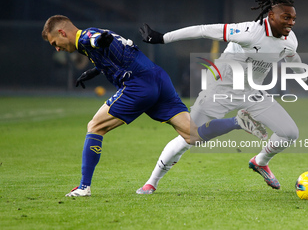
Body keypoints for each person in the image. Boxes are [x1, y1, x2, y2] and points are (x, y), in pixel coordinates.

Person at [42, 15, 262, 196]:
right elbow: (110, 51)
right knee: (192, 135)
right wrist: (92, 72)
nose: (57, 49)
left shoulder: (86, 37)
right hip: (158, 79)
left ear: (62, 32)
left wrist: (99, 41)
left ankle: (83, 187)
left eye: (55, 43)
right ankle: (237, 121)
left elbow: (100, 39)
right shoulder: (89, 40)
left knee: (95, 127)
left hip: (139, 84)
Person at [136, 0, 308, 193]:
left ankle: (259, 162)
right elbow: (203, 30)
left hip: (252, 93)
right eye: (286, 17)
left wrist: (303, 76)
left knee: (289, 133)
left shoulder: (290, 39)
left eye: (293, 18)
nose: (291, 22)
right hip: (221, 91)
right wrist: (163, 38)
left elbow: (292, 56)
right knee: (190, 138)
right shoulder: (249, 31)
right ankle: (152, 182)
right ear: (271, 15)